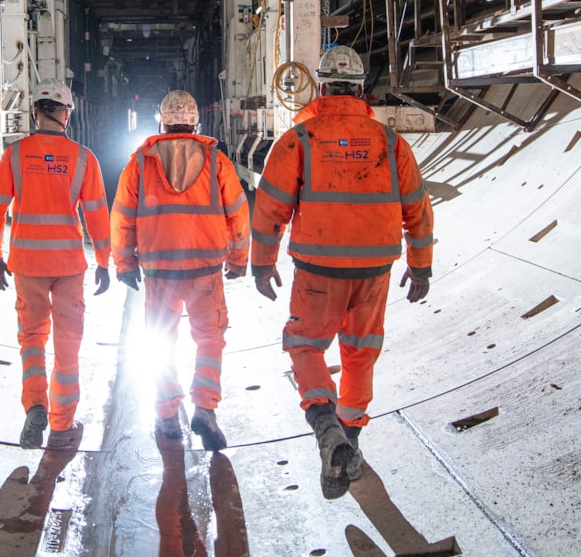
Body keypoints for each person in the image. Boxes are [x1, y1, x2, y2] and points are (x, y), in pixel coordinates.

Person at [251, 46, 433, 499]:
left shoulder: (300, 139)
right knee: (361, 352)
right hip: (375, 269)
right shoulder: (390, 142)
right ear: (361, 89)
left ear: (324, 86)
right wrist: (421, 266)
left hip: (318, 269)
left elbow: (270, 208)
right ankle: (349, 440)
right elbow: (418, 210)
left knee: (306, 344)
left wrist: (261, 262)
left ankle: (323, 421)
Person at [111, 88, 250, 451]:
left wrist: (124, 263)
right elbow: (238, 212)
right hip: (205, 269)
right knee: (209, 339)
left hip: (160, 271)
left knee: (160, 341)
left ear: (162, 121)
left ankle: (167, 415)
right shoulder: (216, 161)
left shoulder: (140, 163)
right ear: (195, 122)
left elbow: (122, 217)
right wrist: (238, 259)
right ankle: (205, 407)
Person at [0, 82, 110, 450]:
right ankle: (62, 423)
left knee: (32, 341)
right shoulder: (83, 158)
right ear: (66, 113)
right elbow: (97, 216)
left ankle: (35, 406)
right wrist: (105, 261)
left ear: (36, 111)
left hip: (26, 264)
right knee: (67, 345)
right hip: (69, 266)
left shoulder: (14, 155)